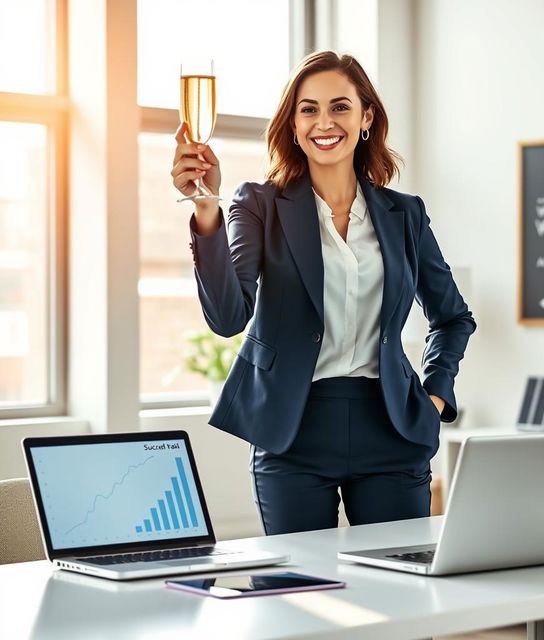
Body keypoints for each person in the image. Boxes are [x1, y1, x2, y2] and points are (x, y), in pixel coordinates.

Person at [171, 51, 476, 536]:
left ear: (366, 118)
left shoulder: (405, 214)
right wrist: (206, 208)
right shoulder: (259, 204)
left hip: (392, 426)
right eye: (308, 109)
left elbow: (452, 317)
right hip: (293, 430)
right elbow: (229, 317)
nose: (324, 121)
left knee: (397, 590)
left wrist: (435, 396)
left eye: (340, 107)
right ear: (292, 124)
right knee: (298, 594)